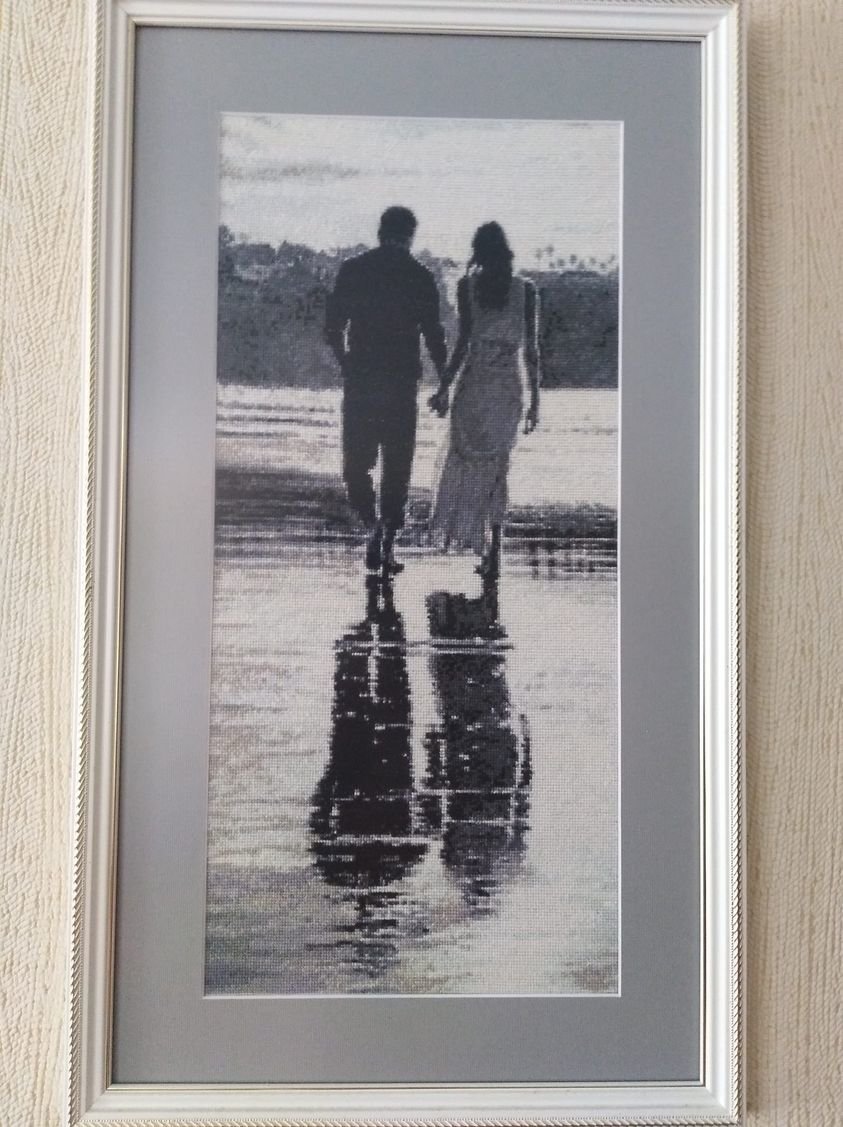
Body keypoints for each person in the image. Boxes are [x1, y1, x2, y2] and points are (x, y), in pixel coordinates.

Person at [324, 206, 448, 576]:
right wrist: (445, 382)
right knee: (397, 465)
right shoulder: (420, 276)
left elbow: (332, 327)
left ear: (380, 232)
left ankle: (372, 525)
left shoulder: (354, 270)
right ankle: (386, 541)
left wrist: (346, 364)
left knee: (356, 465)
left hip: (361, 380)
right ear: (411, 235)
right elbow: (434, 336)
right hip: (401, 384)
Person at [428, 222, 540, 578]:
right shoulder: (526, 291)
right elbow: (531, 351)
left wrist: (444, 387)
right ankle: (494, 547)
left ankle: (476, 539)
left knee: (464, 462)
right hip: (507, 389)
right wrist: (536, 400)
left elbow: (463, 344)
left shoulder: (468, 287)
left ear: (478, 252)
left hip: (475, 386)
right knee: (497, 467)